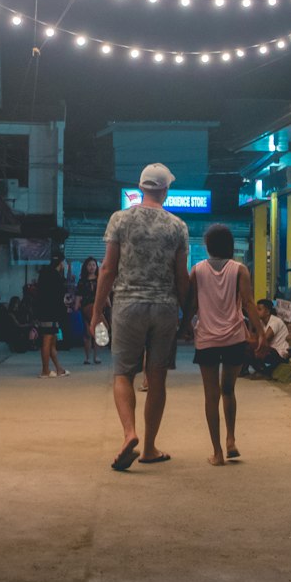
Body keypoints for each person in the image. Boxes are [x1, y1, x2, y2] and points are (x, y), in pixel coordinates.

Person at [91, 162, 189, 471]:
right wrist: (187, 317)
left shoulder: (120, 220)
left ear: (140, 187)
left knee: (123, 374)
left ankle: (129, 433)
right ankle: (148, 448)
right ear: (165, 191)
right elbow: (182, 276)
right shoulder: (177, 226)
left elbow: (107, 269)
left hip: (128, 306)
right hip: (164, 307)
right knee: (156, 378)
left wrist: (96, 312)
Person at [185, 223, 267, 465]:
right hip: (234, 338)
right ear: (229, 245)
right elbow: (249, 304)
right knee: (229, 390)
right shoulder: (239, 269)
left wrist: (183, 329)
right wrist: (260, 332)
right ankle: (231, 439)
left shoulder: (197, 270)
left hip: (207, 340)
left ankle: (218, 453)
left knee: (211, 397)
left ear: (208, 246)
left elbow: (190, 304)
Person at [34, 255, 69, 377]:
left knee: (51, 341)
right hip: (51, 313)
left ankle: (59, 369)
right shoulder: (56, 277)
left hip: (43, 312)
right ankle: (45, 371)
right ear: (60, 263)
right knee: (48, 341)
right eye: (63, 263)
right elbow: (59, 297)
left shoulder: (44, 275)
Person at [244, 298, 291, 377]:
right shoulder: (262, 323)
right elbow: (254, 337)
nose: (256, 312)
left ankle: (264, 372)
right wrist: (251, 323)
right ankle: (261, 371)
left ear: (267, 311)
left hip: (279, 354)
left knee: (252, 346)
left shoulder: (275, 321)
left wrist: (248, 340)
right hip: (270, 351)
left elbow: (264, 339)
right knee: (247, 347)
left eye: (259, 309)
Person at [75, 255, 102, 365]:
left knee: (98, 332)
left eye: (93, 265)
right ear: (86, 267)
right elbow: (78, 295)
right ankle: (87, 357)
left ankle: (97, 356)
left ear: (96, 266)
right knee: (87, 333)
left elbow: (104, 293)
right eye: (89, 265)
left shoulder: (100, 279)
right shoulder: (82, 281)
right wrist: (76, 306)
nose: (92, 267)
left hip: (98, 308)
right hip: (86, 308)